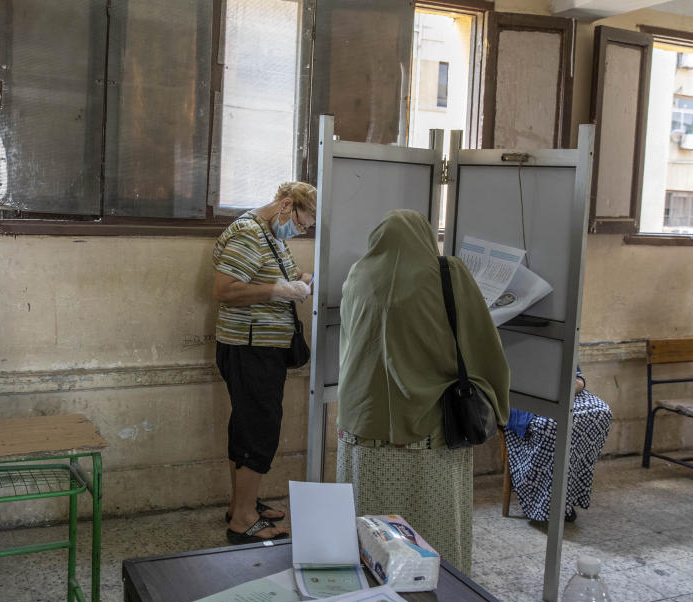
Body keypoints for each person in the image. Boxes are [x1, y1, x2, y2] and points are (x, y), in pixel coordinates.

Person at [336, 210, 510, 572]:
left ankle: (369, 592)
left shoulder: (358, 275)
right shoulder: (449, 273)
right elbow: (480, 342)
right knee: (431, 526)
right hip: (432, 430)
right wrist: (495, 396)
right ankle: (435, 593)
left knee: (370, 528)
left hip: (362, 426)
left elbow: (350, 345)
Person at [212, 181, 316, 545]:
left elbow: (284, 273)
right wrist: (277, 290)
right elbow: (224, 289)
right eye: (302, 223)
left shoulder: (270, 235)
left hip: (259, 346)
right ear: (286, 205)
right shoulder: (248, 234)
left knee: (247, 426)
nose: (300, 231)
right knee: (259, 430)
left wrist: (304, 281)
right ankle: (242, 520)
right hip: (249, 347)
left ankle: (242, 504)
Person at [503, 367, 612, 523]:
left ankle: (566, 496)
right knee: (551, 425)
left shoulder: (560, 342)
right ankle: (544, 504)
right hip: (520, 397)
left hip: (561, 393)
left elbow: (579, 379)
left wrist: (564, 391)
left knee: (602, 412)